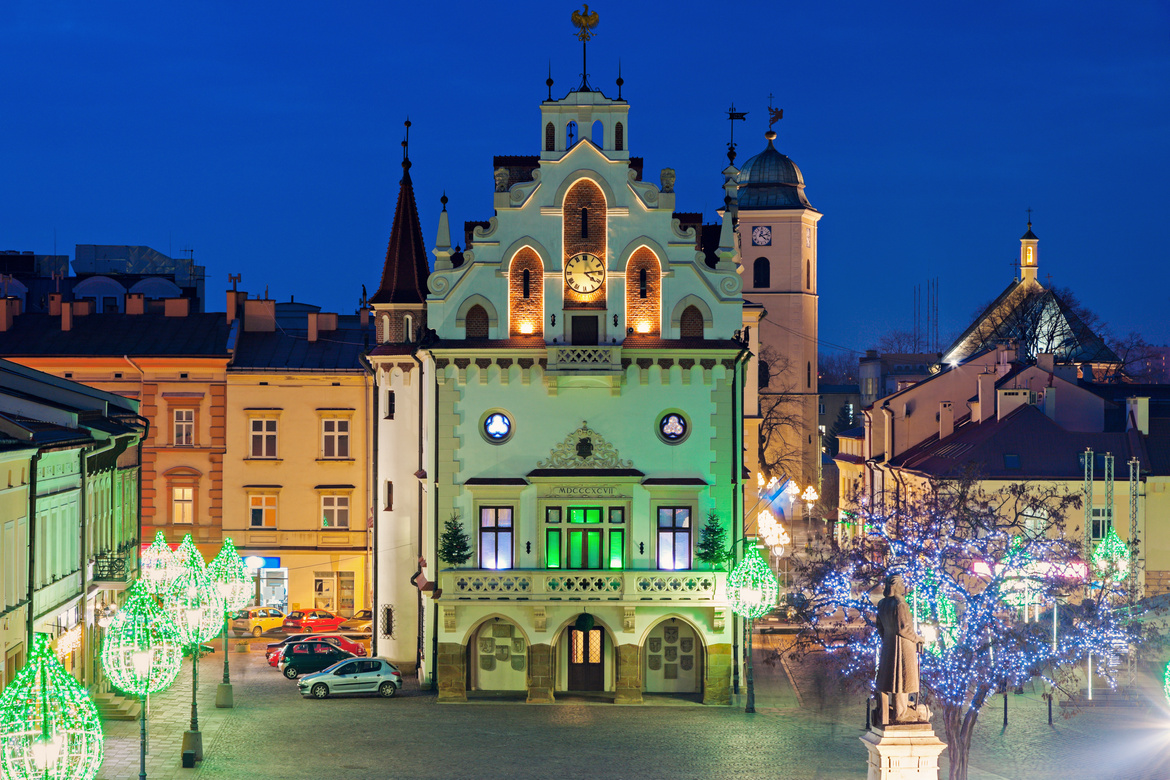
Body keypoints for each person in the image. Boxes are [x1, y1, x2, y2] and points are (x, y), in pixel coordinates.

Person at [875, 574, 925, 722]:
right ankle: (900, 714)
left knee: (895, 679)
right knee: (902, 680)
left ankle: (896, 709)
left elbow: (879, 627)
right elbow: (903, 628)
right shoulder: (900, 604)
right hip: (903, 646)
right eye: (902, 584)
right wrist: (918, 638)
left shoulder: (882, 604)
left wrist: (887, 640)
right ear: (896, 586)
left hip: (889, 646)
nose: (904, 587)